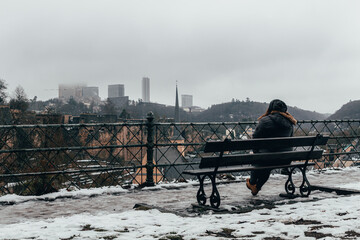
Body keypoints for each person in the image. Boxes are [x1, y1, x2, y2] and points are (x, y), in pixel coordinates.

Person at [246, 99, 297, 196]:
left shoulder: (265, 121)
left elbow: (255, 139)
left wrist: (256, 152)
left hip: (267, 158)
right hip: (285, 159)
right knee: (266, 165)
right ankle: (256, 187)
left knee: (258, 160)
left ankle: (252, 182)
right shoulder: (290, 122)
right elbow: (290, 140)